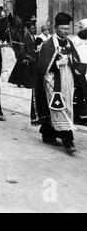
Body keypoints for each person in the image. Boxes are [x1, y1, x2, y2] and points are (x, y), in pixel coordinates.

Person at [35, 12, 85, 155]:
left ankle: (48, 134)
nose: (66, 32)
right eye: (63, 29)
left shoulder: (69, 42)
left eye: (67, 29)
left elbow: (75, 59)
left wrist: (76, 66)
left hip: (67, 80)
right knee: (59, 108)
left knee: (66, 107)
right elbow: (42, 67)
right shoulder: (48, 44)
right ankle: (68, 140)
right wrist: (58, 63)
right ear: (56, 28)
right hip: (52, 81)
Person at [71, 18, 87, 126]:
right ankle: (77, 117)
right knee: (78, 94)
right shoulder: (74, 41)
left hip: (86, 72)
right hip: (78, 71)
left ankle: (84, 116)